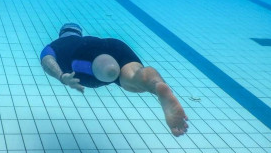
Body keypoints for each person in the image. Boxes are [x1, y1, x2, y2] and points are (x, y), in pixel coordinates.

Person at [40, 23, 188, 136]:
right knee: (136, 78)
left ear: (61, 34)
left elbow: (46, 60)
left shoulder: (57, 45)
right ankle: (157, 85)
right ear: (79, 33)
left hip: (86, 57)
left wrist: (61, 76)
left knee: (110, 72)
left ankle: (110, 70)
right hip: (115, 45)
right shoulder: (86, 39)